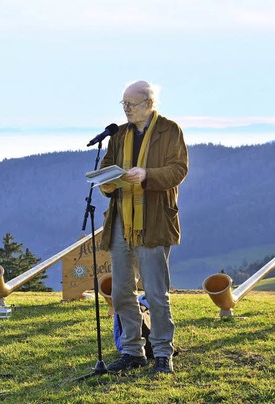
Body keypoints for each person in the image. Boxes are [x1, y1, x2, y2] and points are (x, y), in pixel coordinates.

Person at [98, 80, 188, 374]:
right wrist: (107, 183)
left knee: (155, 292)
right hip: (121, 222)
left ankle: (163, 353)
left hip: (154, 222)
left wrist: (147, 174)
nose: (126, 110)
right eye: (123, 104)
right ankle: (133, 351)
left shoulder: (170, 130)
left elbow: (178, 170)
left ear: (149, 104)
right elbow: (107, 169)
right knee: (122, 293)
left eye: (131, 104)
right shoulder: (119, 134)